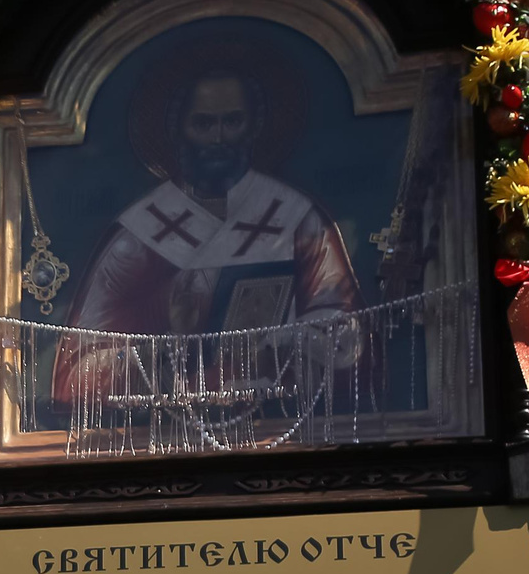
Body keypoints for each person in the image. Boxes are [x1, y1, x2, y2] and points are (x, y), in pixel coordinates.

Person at [54, 53, 361, 409]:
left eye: (232, 122)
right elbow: (77, 370)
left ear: (254, 126)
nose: (218, 138)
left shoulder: (297, 219)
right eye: (203, 124)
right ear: (178, 129)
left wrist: (288, 340)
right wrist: (164, 347)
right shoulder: (138, 237)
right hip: (172, 428)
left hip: (276, 418)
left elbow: (342, 321)